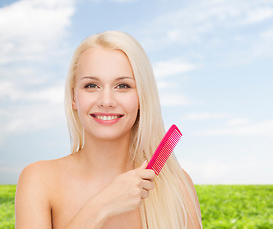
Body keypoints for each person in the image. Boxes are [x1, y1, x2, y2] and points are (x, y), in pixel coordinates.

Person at [15, 31, 202, 228]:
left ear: (142, 98)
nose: (106, 101)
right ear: (73, 98)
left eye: (122, 86)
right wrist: (102, 206)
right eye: (91, 85)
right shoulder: (39, 180)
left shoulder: (176, 185)